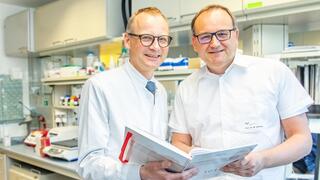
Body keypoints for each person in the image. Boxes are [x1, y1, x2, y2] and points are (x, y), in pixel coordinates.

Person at [168, 4, 313, 179]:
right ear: (194, 43)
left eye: (222, 34)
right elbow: (179, 143)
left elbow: (302, 139)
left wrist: (262, 160)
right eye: (205, 37)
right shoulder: (187, 88)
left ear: (235, 35)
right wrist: (201, 156)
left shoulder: (274, 72)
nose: (215, 43)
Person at [77, 7, 197, 180]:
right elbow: (88, 164)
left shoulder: (160, 90)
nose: (156, 47)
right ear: (127, 40)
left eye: (163, 39)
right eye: (146, 38)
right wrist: (139, 173)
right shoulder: (99, 86)